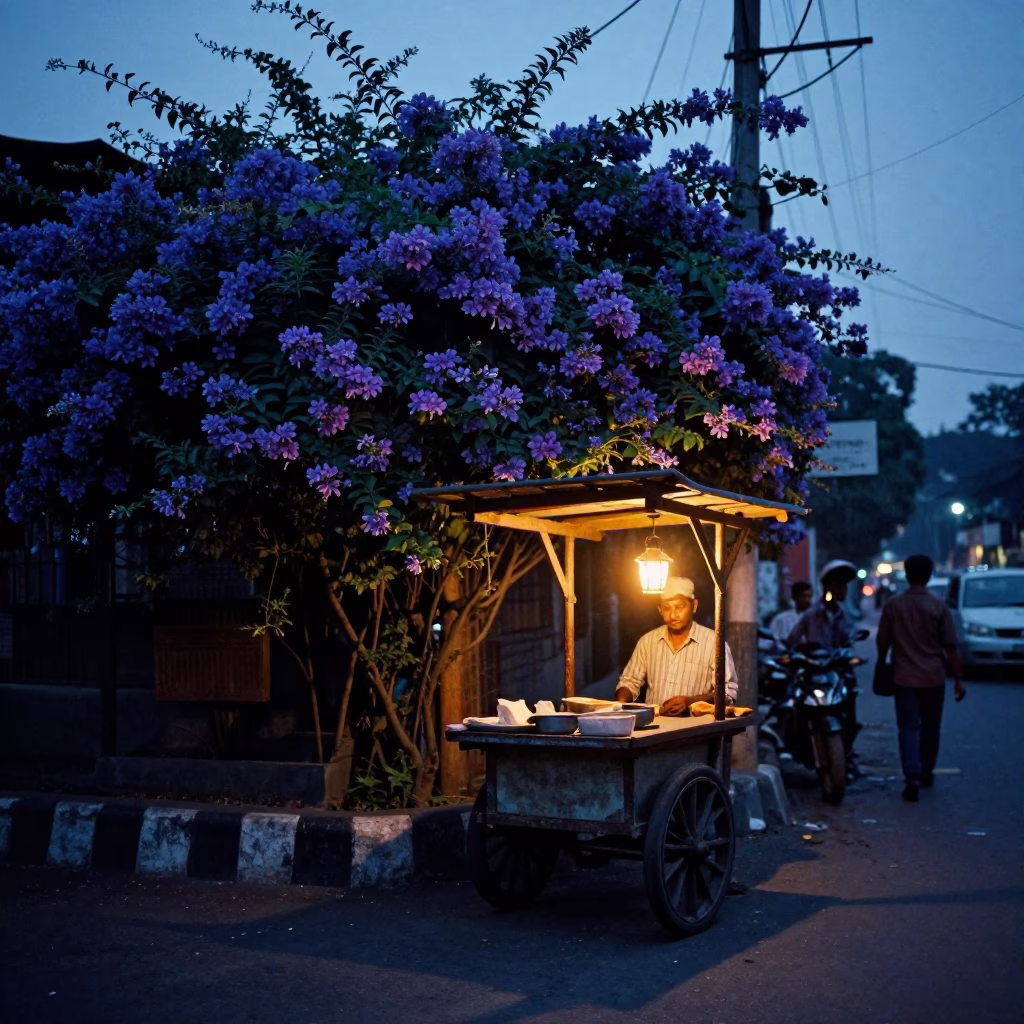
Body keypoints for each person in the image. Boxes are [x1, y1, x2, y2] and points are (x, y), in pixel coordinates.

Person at [876, 553, 965, 803]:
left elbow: (883, 641)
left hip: (904, 677)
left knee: (908, 727)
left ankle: (912, 776)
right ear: (928, 576)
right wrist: (958, 678)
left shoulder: (894, 605)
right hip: (933, 677)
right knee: (930, 727)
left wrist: (882, 662)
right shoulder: (938, 606)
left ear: (906, 574)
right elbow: (951, 646)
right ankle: (926, 771)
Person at [615, 576, 738, 715]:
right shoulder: (647, 641)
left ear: (694, 606)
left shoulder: (714, 643)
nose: (673, 615)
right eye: (667, 608)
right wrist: (620, 704)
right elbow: (630, 682)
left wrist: (689, 701)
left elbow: (728, 693)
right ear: (659, 609)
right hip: (655, 729)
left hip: (696, 731)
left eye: (679, 607)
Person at [786, 560, 857, 649]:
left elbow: (849, 637)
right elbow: (793, 638)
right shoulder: (812, 613)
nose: (840, 590)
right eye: (836, 585)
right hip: (817, 660)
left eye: (843, 585)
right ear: (826, 587)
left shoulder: (844, 614)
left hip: (838, 659)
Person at [769, 580, 813, 648]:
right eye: (803, 596)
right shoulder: (781, 619)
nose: (807, 600)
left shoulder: (816, 618)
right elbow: (773, 641)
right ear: (794, 597)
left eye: (809, 596)